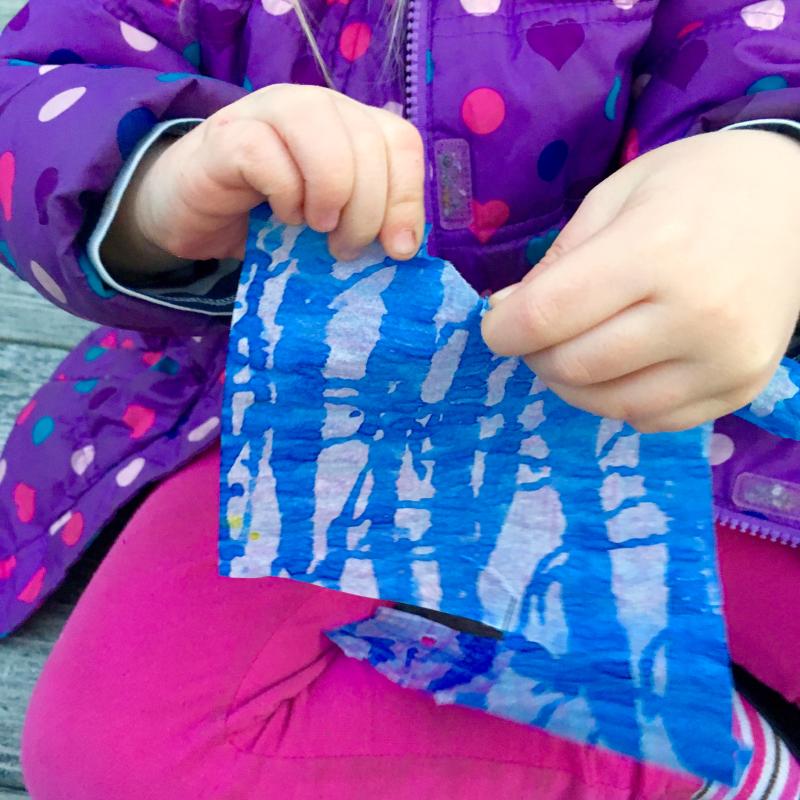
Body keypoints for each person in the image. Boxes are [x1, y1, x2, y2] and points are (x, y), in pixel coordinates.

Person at [0, 0, 799, 796]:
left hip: (701, 425)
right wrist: (158, 185)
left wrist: (769, 179)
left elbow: (761, 48)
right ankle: (705, 762)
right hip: (305, 402)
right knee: (127, 740)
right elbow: (38, 86)